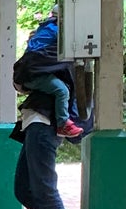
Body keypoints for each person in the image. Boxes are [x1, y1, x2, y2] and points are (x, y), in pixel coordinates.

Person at [12, 95, 81, 209]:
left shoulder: (54, 78)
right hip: (37, 125)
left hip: (43, 125)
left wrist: (22, 82)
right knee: (24, 190)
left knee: (45, 190)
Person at [13, 12, 82, 140]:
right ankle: (63, 124)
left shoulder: (44, 28)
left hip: (27, 79)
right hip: (43, 123)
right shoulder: (59, 35)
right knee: (62, 91)